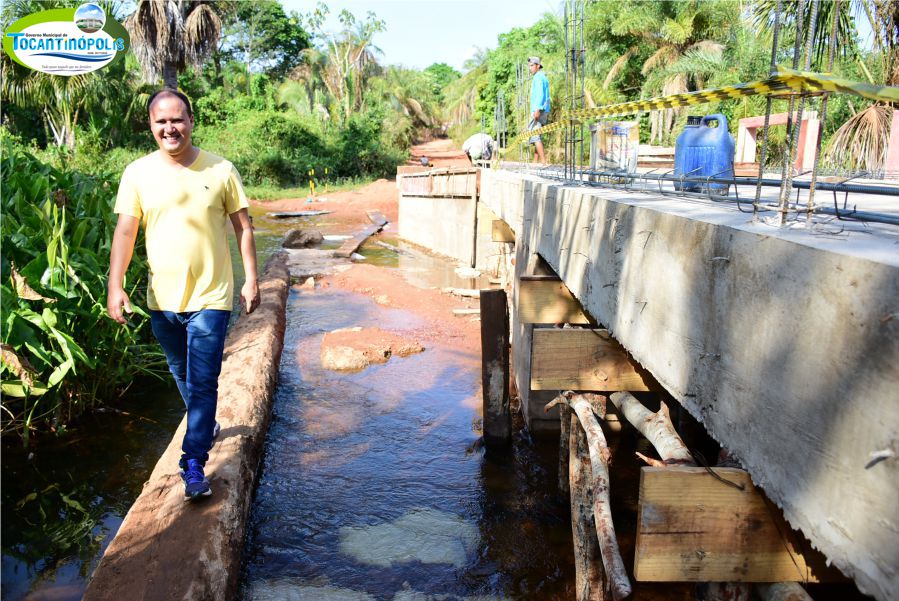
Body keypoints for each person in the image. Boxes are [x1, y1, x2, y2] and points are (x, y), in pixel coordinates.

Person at [107, 89, 259, 501]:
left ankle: (192, 462)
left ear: (191, 121)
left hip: (211, 297)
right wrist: (115, 285)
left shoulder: (222, 169)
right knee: (181, 373)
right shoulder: (137, 173)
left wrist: (250, 279)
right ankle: (202, 424)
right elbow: (125, 231)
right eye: (161, 122)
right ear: (152, 127)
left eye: (177, 120)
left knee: (205, 381)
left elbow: (244, 227)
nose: (170, 128)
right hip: (162, 300)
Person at [527, 56, 550, 165]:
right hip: (543, 110)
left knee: (535, 136)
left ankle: (544, 162)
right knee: (537, 135)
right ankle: (535, 161)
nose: (530, 68)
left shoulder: (538, 77)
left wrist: (537, 109)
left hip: (539, 110)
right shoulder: (543, 77)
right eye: (529, 66)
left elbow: (540, 94)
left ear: (538, 66)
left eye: (532, 66)